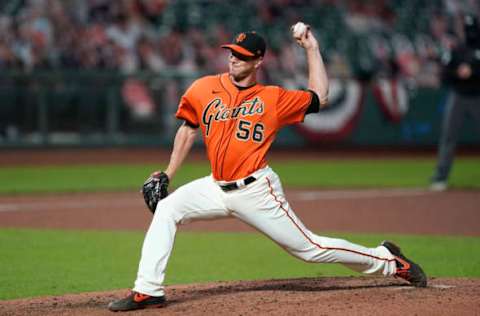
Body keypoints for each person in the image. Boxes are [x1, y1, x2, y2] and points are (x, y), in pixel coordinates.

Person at [108, 27, 427, 312]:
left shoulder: (272, 98)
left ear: (258, 61)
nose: (234, 59)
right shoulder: (203, 89)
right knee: (166, 209)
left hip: (256, 191)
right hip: (214, 186)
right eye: (232, 53)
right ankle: (148, 291)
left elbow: (321, 98)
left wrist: (311, 49)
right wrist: (168, 173)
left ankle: (387, 260)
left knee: (310, 249)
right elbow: (188, 128)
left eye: (242, 56)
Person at [431, 14, 480, 191]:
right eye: (468, 28)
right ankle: (440, 177)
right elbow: (444, 75)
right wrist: (458, 73)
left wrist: (473, 72)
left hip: (477, 96)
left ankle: (440, 177)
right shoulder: (456, 50)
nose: (470, 32)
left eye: (472, 28)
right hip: (458, 96)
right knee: (448, 137)